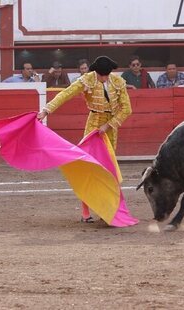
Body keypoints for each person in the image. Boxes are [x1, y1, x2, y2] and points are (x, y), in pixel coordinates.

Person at [37, 56, 132, 223]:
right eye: (102, 75)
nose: (104, 78)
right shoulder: (86, 80)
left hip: (110, 129)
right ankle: (86, 212)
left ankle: (108, 209)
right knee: (90, 168)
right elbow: (65, 94)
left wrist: (109, 125)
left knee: (108, 169)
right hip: (93, 125)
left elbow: (127, 109)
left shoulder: (118, 81)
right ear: (96, 72)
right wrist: (46, 110)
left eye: (106, 75)